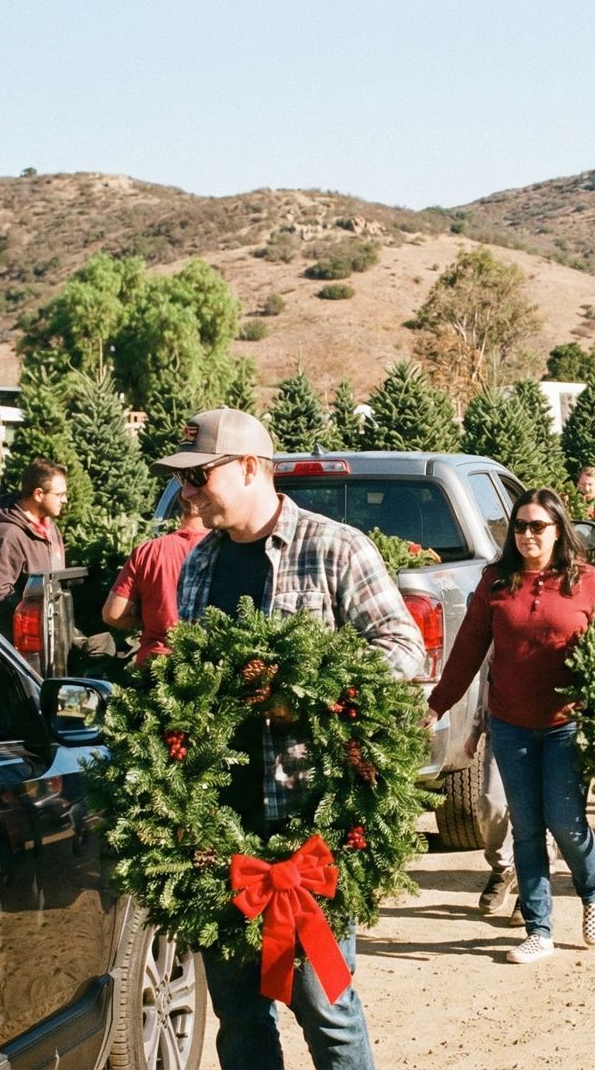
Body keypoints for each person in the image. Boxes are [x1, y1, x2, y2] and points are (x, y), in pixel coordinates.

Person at [156, 407, 423, 1070]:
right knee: (241, 1017)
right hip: (223, 839)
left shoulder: (334, 548)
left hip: (309, 834)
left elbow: (404, 649)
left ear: (250, 467)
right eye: (183, 480)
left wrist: (305, 692)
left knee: (325, 1007)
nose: (187, 493)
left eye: (199, 477)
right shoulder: (199, 566)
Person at [427, 489, 595, 964]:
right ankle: (539, 928)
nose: (528, 534)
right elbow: (468, 650)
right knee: (527, 827)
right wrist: (438, 705)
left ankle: (593, 892)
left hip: (565, 725)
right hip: (511, 725)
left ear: (558, 531)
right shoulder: (497, 581)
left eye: (538, 526)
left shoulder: (586, 581)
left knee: (565, 822)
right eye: (520, 525)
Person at [101, 497, 211, 665]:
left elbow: (112, 614)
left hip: (155, 664)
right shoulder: (226, 550)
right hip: (208, 669)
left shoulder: (148, 550)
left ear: (182, 504)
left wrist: (147, 618)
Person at [0, 459, 68, 641]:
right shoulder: (6, 534)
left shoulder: (50, 528)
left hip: (51, 640)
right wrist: (35, 618)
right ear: (39, 494)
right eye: (59, 495)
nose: (65, 500)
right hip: (17, 647)